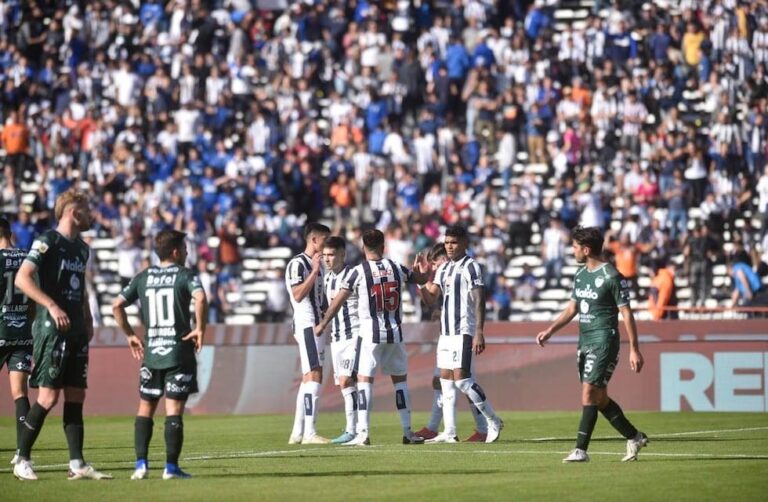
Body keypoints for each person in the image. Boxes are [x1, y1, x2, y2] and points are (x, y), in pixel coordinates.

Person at [13, 189, 112, 480]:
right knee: (47, 397)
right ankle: (22, 458)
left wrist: (89, 316)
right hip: (51, 329)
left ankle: (77, 464)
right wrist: (52, 306)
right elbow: (22, 278)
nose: (91, 214)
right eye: (87, 208)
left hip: (77, 329)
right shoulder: (48, 242)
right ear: (73, 211)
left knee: (76, 395)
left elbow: (79, 287)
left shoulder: (82, 248)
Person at [536, 226, 648, 463]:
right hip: (585, 341)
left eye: (575, 247)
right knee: (599, 398)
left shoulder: (612, 276)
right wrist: (550, 331)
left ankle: (581, 450)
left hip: (605, 341)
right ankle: (634, 436)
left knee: (588, 393)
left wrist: (634, 349)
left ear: (586, 250)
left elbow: (627, 314)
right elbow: (572, 309)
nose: (572, 250)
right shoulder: (580, 275)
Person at [315, 229, 429, 445]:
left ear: (362, 248)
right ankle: (407, 431)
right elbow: (420, 278)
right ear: (383, 247)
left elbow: (337, 302)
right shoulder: (396, 267)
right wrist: (424, 271)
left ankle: (363, 433)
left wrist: (322, 324)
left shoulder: (357, 272)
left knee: (365, 381)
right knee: (400, 382)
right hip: (395, 333)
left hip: (369, 335)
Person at [112, 229, 208, 480]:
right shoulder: (185, 275)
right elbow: (201, 298)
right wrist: (199, 328)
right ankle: (171, 468)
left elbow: (116, 305)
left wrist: (130, 334)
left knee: (145, 407)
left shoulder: (143, 276)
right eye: (185, 249)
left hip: (151, 352)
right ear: (176, 251)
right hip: (178, 351)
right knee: (173, 409)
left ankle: (140, 465)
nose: (187, 253)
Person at [418, 226, 504, 444]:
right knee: (445, 382)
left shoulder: (471, 266)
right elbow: (431, 300)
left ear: (465, 243)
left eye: (453, 242)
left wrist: (479, 331)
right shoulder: (444, 268)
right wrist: (420, 281)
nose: (449, 246)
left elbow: (479, 299)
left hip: (463, 330)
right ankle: (450, 431)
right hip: (445, 334)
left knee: (463, 381)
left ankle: (493, 420)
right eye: (446, 242)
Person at [285, 222, 332, 445]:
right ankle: (310, 433)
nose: (327, 244)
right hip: (306, 324)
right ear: (314, 240)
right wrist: (313, 272)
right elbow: (297, 294)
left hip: (317, 324)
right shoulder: (298, 264)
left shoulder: (320, 265)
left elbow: (319, 298)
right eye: (325, 239)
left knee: (308, 378)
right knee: (314, 374)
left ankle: (296, 433)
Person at [321, 236, 361, 444]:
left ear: (342, 255)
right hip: (336, 338)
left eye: (331, 255)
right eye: (325, 255)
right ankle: (354, 429)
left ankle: (353, 430)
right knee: (345, 385)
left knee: (348, 379)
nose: (327, 259)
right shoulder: (327, 279)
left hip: (354, 335)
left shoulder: (353, 275)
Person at [0, 218, 32, 465]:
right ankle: (22, 453)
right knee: (20, 394)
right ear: (10, 233)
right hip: (23, 334)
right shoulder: (27, 257)